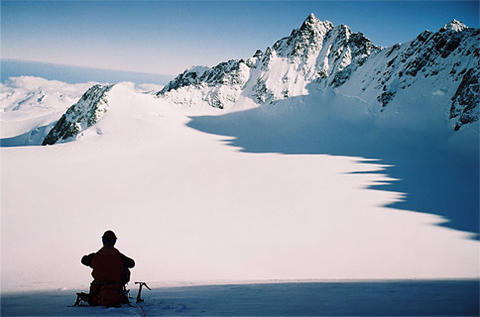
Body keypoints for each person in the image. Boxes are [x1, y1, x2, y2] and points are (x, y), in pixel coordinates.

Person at [81, 230, 135, 307]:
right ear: (114, 241)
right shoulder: (120, 257)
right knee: (126, 270)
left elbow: (83, 260)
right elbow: (132, 263)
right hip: (116, 289)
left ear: (103, 241)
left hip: (98, 290)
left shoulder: (95, 257)